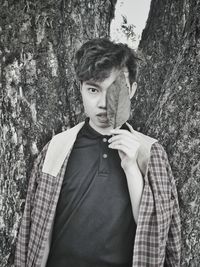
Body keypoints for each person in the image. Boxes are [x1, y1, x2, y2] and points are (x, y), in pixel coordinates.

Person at [14, 38, 181, 267]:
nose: (103, 103)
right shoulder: (56, 148)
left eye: (115, 90)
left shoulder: (150, 152)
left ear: (131, 90)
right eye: (93, 89)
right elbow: (30, 230)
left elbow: (159, 232)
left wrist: (132, 168)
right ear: (80, 89)